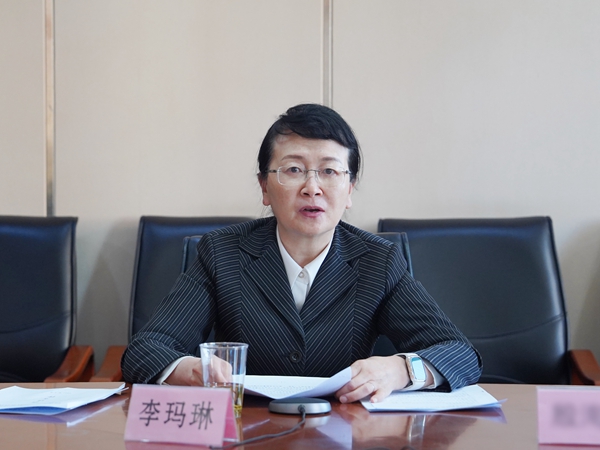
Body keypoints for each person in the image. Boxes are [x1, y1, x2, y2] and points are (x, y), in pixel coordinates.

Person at [121, 103, 482, 403]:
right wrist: (191, 370)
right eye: (293, 169)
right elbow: (145, 349)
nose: (312, 188)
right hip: (249, 430)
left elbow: (458, 352)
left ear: (350, 188)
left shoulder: (378, 261)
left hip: (346, 431)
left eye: (329, 171)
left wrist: (400, 370)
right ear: (264, 187)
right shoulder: (222, 253)